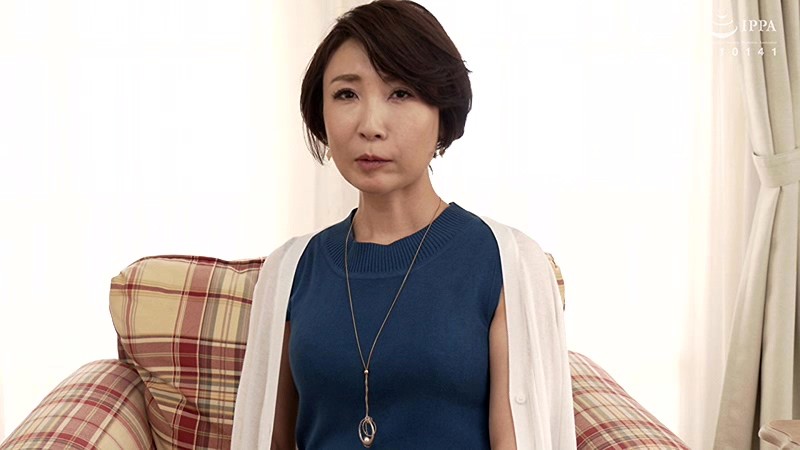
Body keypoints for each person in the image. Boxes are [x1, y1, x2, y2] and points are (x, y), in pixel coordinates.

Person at [232, 1, 576, 449]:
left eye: (400, 93)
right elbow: (267, 439)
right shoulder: (289, 270)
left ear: (443, 112)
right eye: (346, 94)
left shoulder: (508, 263)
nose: (371, 126)